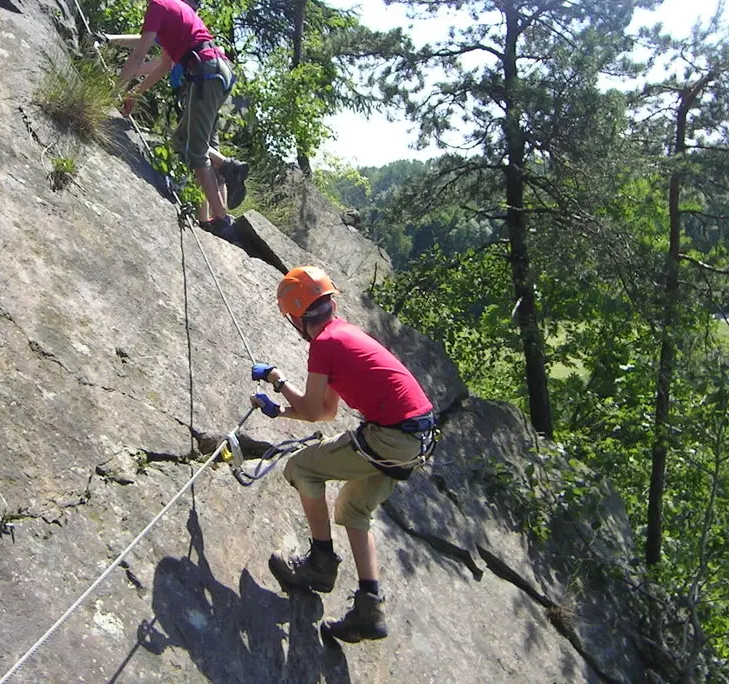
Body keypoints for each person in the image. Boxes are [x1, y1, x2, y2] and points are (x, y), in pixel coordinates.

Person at [248, 266, 438, 643]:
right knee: (353, 507)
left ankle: (320, 564)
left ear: (296, 317)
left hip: (392, 436)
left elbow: (314, 411)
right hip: (418, 439)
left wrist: (276, 380)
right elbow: (324, 411)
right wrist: (279, 409)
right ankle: (370, 608)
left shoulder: (325, 344)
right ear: (329, 303)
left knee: (301, 468)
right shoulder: (342, 334)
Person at [107, 0, 248, 241]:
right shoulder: (177, 11)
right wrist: (134, 94)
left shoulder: (158, 5)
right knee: (182, 140)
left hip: (205, 72)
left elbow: (139, 55)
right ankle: (224, 176)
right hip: (216, 71)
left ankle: (223, 221)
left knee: (196, 151)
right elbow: (164, 65)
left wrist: (111, 95)